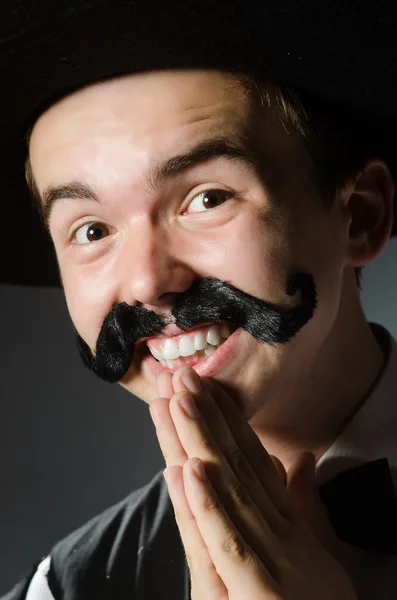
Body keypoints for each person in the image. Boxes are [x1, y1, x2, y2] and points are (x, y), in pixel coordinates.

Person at [1, 0, 397, 598]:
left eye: (207, 199)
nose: (146, 282)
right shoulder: (64, 588)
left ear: (359, 217)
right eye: (91, 230)